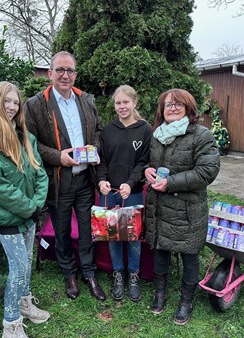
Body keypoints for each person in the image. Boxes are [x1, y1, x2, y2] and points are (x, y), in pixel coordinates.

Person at [0, 81, 50, 338]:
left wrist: (36, 204)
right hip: (8, 217)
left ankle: (24, 304)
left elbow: (40, 173)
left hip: (29, 214)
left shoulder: (24, 136)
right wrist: (29, 208)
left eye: (16, 102)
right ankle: (11, 324)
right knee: (17, 268)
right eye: (7, 101)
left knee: (25, 263)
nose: (13, 107)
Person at [24, 51, 106, 301]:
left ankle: (89, 272)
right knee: (60, 230)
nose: (65, 75)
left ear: (75, 74)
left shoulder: (86, 100)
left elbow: (98, 130)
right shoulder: (36, 104)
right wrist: (58, 156)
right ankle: (69, 273)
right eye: (60, 70)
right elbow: (29, 143)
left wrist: (94, 149)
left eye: (70, 70)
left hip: (85, 177)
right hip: (59, 178)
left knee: (85, 228)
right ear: (50, 73)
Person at [144, 88, 220, 325]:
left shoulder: (201, 135)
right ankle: (160, 293)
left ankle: (186, 301)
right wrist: (147, 170)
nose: (173, 108)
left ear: (189, 109)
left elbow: (207, 171)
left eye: (178, 104)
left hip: (187, 208)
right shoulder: (157, 135)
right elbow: (149, 163)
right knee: (160, 250)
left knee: (189, 254)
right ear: (162, 110)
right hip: (159, 205)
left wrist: (171, 183)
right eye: (168, 105)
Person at [96, 85, 152, 302]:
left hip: (134, 192)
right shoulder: (108, 131)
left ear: (134, 103)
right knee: (114, 237)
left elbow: (143, 162)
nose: (122, 107)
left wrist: (131, 183)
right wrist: (101, 180)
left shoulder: (144, 130)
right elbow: (102, 161)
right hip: (111, 193)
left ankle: (134, 275)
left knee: (133, 238)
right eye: (118, 103)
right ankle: (118, 273)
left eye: (126, 102)